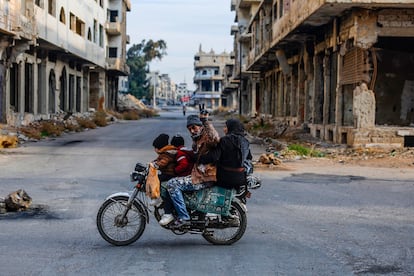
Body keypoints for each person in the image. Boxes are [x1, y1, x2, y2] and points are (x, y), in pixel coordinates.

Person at [165, 112, 219, 228]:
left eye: (194, 127)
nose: (192, 131)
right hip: (199, 176)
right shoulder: (197, 140)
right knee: (176, 180)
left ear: (200, 126)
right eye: (190, 129)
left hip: (205, 177)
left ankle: (184, 217)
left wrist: (205, 121)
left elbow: (214, 138)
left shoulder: (207, 137)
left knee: (172, 184)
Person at [199, 118, 253, 190]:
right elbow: (249, 157)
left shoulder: (224, 140)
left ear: (230, 128)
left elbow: (214, 157)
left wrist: (200, 158)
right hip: (241, 179)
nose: (224, 129)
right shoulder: (245, 141)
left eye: (225, 127)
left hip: (225, 179)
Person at [158, 134, 195, 226]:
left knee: (170, 186)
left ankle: (178, 215)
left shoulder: (180, 153)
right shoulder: (186, 150)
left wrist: (175, 171)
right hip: (190, 176)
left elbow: (184, 164)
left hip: (186, 176)